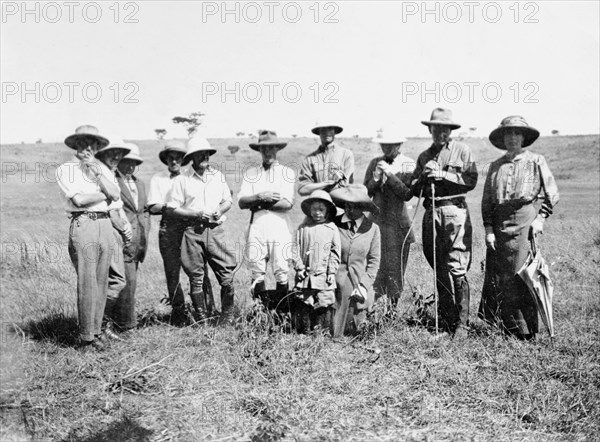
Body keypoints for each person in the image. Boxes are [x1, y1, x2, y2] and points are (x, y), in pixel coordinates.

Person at [479, 116, 559, 340]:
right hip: (498, 225)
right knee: (500, 276)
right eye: (508, 134)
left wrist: (540, 219)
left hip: (525, 221)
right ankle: (505, 327)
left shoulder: (536, 161)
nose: (512, 138)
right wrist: (489, 230)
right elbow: (487, 201)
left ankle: (526, 331)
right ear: (502, 138)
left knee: (523, 273)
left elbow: (552, 193)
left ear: (524, 137)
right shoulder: (495, 166)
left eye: (517, 134)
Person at [410, 108, 478, 339]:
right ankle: (446, 320)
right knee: (437, 264)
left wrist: (443, 175)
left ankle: (462, 325)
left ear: (451, 130)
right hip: (431, 212)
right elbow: (414, 189)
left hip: (454, 211)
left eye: (445, 128)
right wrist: (423, 177)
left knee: (456, 264)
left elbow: (471, 181)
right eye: (436, 128)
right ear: (430, 129)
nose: (441, 132)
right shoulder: (423, 156)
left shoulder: (462, 150)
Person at [56, 125, 121, 350]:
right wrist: (104, 193)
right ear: (75, 144)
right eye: (83, 142)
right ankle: (86, 338)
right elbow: (80, 201)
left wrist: (96, 170)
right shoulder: (66, 169)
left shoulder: (101, 167)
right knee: (87, 281)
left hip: (105, 222)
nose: (88, 147)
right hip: (84, 222)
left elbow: (116, 194)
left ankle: (96, 331)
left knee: (102, 280)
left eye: (93, 143)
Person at [167, 136, 237, 324]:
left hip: (215, 230)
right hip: (192, 231)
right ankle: (202, 319)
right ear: (191, 157)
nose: (204, 156)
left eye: (206, 153)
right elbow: (172, 208)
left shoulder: (218, 176)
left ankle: (227, 318)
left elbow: (228, 200)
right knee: (196, 276)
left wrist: (219, 210)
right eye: (199, 154)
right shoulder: (182, 180)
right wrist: (196, 214)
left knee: (226, 274)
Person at [147, 141, 214, 325]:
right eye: (171, 157)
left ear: (184, 160)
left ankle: (207, 309)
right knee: (172, 271)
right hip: (169, 228)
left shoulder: (189, 177)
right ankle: (179, 312)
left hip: (190, 228)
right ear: (166, 159)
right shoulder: (158, 179)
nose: (174, 161)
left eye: (178, 157)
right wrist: (171, 208)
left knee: (199, 269)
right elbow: (153, 207)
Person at [238, 130, 296, 310]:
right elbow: (242, 202)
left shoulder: (286, 172)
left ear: (277, 149)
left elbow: (287, 204)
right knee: (257, 269)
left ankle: (282, 313)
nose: (268, 152)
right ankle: (261, 313)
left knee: (281, 269)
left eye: (271, 148)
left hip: (279, 226)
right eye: (264, 148)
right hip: (257, 225)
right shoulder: (251, 174)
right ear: (259, 150)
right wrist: (261, 196)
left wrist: (258, 203)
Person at [364, 129, 416, 306]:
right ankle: (371, 308)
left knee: (396, 269)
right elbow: (366, 193)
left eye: (390, 145)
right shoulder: (374, 163)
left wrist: (391, 175)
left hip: (398, 225)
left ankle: (392, 312)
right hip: (377, 224)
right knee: (375, 267)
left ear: (399, 145)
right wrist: (376, 178)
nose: (386, 148)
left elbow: (407, 194)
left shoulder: (408, 164)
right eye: (383, 144)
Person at [94, 138, 133, 339]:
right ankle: (100, 327)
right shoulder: (99, 171)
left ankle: (103, 326)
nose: (117, 157)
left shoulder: (108, 171)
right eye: (112, 152)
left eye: (120, 153)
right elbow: (111, 210)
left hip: (111, 229)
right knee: (115, 280)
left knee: (112, 280)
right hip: (105, 229)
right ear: (102, 153)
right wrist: (125, 231)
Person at [330, 185, 381, 337]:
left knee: (362, 325)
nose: (350, 209)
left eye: (355, 206)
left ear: (364, 207)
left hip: (359, 279)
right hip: (336, 279)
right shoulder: (334, 224)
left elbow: (374, 262)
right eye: (347, 205)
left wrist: (364, 286)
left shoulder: (372, 229)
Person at [114, 143, 151, 333]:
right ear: (119, 162)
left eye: (134, 163)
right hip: (121, 238)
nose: (130, 167)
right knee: (126, 281)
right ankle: (126, 324)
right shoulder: (112, 182)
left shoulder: (140, 184)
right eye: (127, 162)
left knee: (131, 280)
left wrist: (146, 230)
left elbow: (144, 211)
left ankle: (121, 321)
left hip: (138, 240)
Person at [292, 190, 341, 333]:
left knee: (324, 300)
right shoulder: (303, 228)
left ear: (327, 211)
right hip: (305, 273)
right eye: (314, 209)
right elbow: (295, 248)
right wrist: (299, 268)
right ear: (309, 210)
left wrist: (331, 271)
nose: (317, 213)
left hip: (323, 274)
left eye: (321, 210)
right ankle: (304, 330)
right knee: (304, 299)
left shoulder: (331, 229)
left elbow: (335, 252)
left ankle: (322, 332)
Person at [297, 122, 354, 196]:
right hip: (319, 204)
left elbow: (345, 184)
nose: (327, 132)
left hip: (340, 204)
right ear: (319, 132)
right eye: (323, 129)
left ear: (334, 131)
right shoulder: (310, 159)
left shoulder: (346, 155)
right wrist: (328, 183)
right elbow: (303, 189)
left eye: (330, 129)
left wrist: (315, 187)